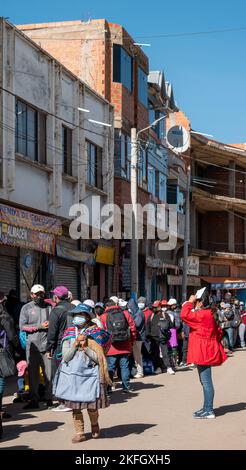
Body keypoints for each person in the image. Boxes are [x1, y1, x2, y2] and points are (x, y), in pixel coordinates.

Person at [54, 303, 111, 443]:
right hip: (72, 375)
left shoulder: (95, 333)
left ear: (86, 317)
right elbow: (65, 357)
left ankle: (94, 425)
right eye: (75, 315)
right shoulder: (68, 334)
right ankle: (79, 432)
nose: (77, 318)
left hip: (90, 375)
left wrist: (85, 348)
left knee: (91, 407)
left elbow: (99, 358)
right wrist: (75, 346)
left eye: (80, 315)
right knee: (76, 408)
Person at [181, 293, 227, 419]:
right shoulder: (209, 314)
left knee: (206, 382)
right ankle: (206, 407)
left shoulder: (203, 314)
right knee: (204, 381)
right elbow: (218, 332)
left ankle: (209, 410)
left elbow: (184, 314)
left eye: (197, 301)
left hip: (203, 351)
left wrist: (189, 302)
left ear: (201, 303)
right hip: (205, 349)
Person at [19, 284, 53, 409]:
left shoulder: (49, 307)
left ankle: (49, 398)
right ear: (31, 294)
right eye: (36, 294)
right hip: (32, 347)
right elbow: (22, 326)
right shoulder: (26, 308)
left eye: (41, 294)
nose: (39, 296)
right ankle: (34, 400)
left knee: (48, 374)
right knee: (32, 375)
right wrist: (39, 327)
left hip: (47, 347)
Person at [46, 285, 74, 412]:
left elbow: (52, 332)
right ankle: (74, 400)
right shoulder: (74, 307)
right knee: (72, 372)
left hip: (61, 347)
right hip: (76, 345)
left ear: (56, 297)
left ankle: (64, 402)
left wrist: (48, 348)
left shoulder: (56, 311)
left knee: (59, 374)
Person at [100, 298, 137, 394]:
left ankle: (109, 388)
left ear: (107, 306)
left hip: (111, 347)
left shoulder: (103, 316)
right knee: (124, 366)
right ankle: (126, 387)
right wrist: (131, 342)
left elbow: (101, 332)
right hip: (125, 345)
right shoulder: (126, 313)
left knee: (110, 367)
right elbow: (133, 329)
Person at [0, 292, 19, 420]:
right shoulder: (4, 316)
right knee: (1, 378)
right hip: (2, 350)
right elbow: (11, 335)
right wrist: (18, 347)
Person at [146, 300, 175, 375]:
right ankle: (158, 367)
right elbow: (147, 327)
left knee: (165, 353)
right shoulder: (151, 316)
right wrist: (148, 336)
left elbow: (171, 325)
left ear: (159, 307)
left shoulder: (165, 315)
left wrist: (165, 326)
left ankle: (168, 367)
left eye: (155, 307)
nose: (154, 308)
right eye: (153, 307)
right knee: (155, 354)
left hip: (163, 337)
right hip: (153, 338)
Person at [127, 298, 146, 379]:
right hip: (137, 337)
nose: (129, 309)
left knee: (137, 355)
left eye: (130, 307)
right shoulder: (137, 312)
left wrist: (129, 323)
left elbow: (136, 324)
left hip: (138, 337)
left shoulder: (138, 313)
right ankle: (138, 371)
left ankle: (140, 372)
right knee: (136, 355)